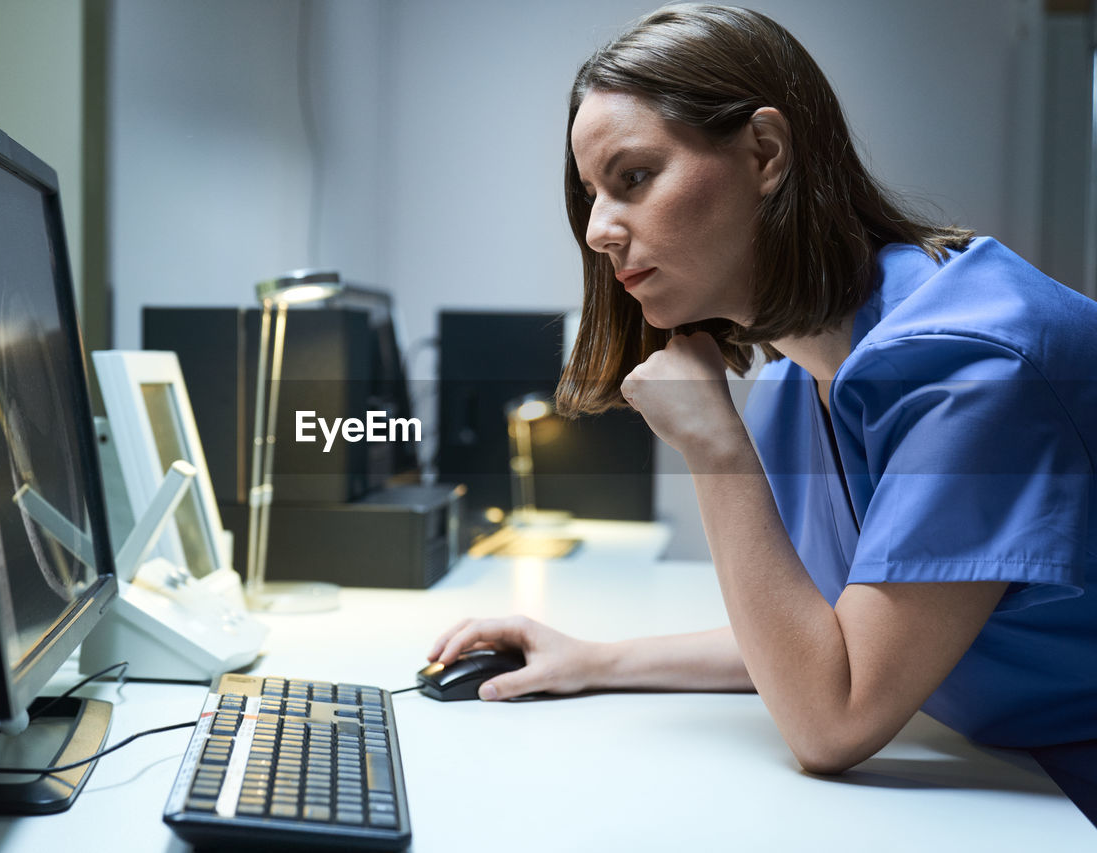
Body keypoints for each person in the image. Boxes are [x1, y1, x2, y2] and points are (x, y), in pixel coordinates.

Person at [428, 2, 1097, 789]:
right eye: (591, 195)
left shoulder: (968, 368)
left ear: (766, 153)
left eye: (633, 178)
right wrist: (592, 659)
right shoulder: (791, 380)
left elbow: (832, 717)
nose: (598, 230)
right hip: (1016, 776)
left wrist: (714, 446)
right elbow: (820, 640)